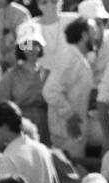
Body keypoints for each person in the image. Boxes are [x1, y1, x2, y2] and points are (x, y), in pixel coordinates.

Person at [44, 17, 95, 161]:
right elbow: (50, 91)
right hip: (67, 132)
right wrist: (69, 116)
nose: (96, 37)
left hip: (74, 132)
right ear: (85, 35)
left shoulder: (79, 58)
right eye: (93, 32)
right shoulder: (69, 58)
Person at [0, 26, 51, 147]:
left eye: (35, 44)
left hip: (44, 124)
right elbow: (1, 103)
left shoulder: (47, 73)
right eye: (26, 45)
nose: (31, 49)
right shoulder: (11, 75)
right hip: (20, 126)